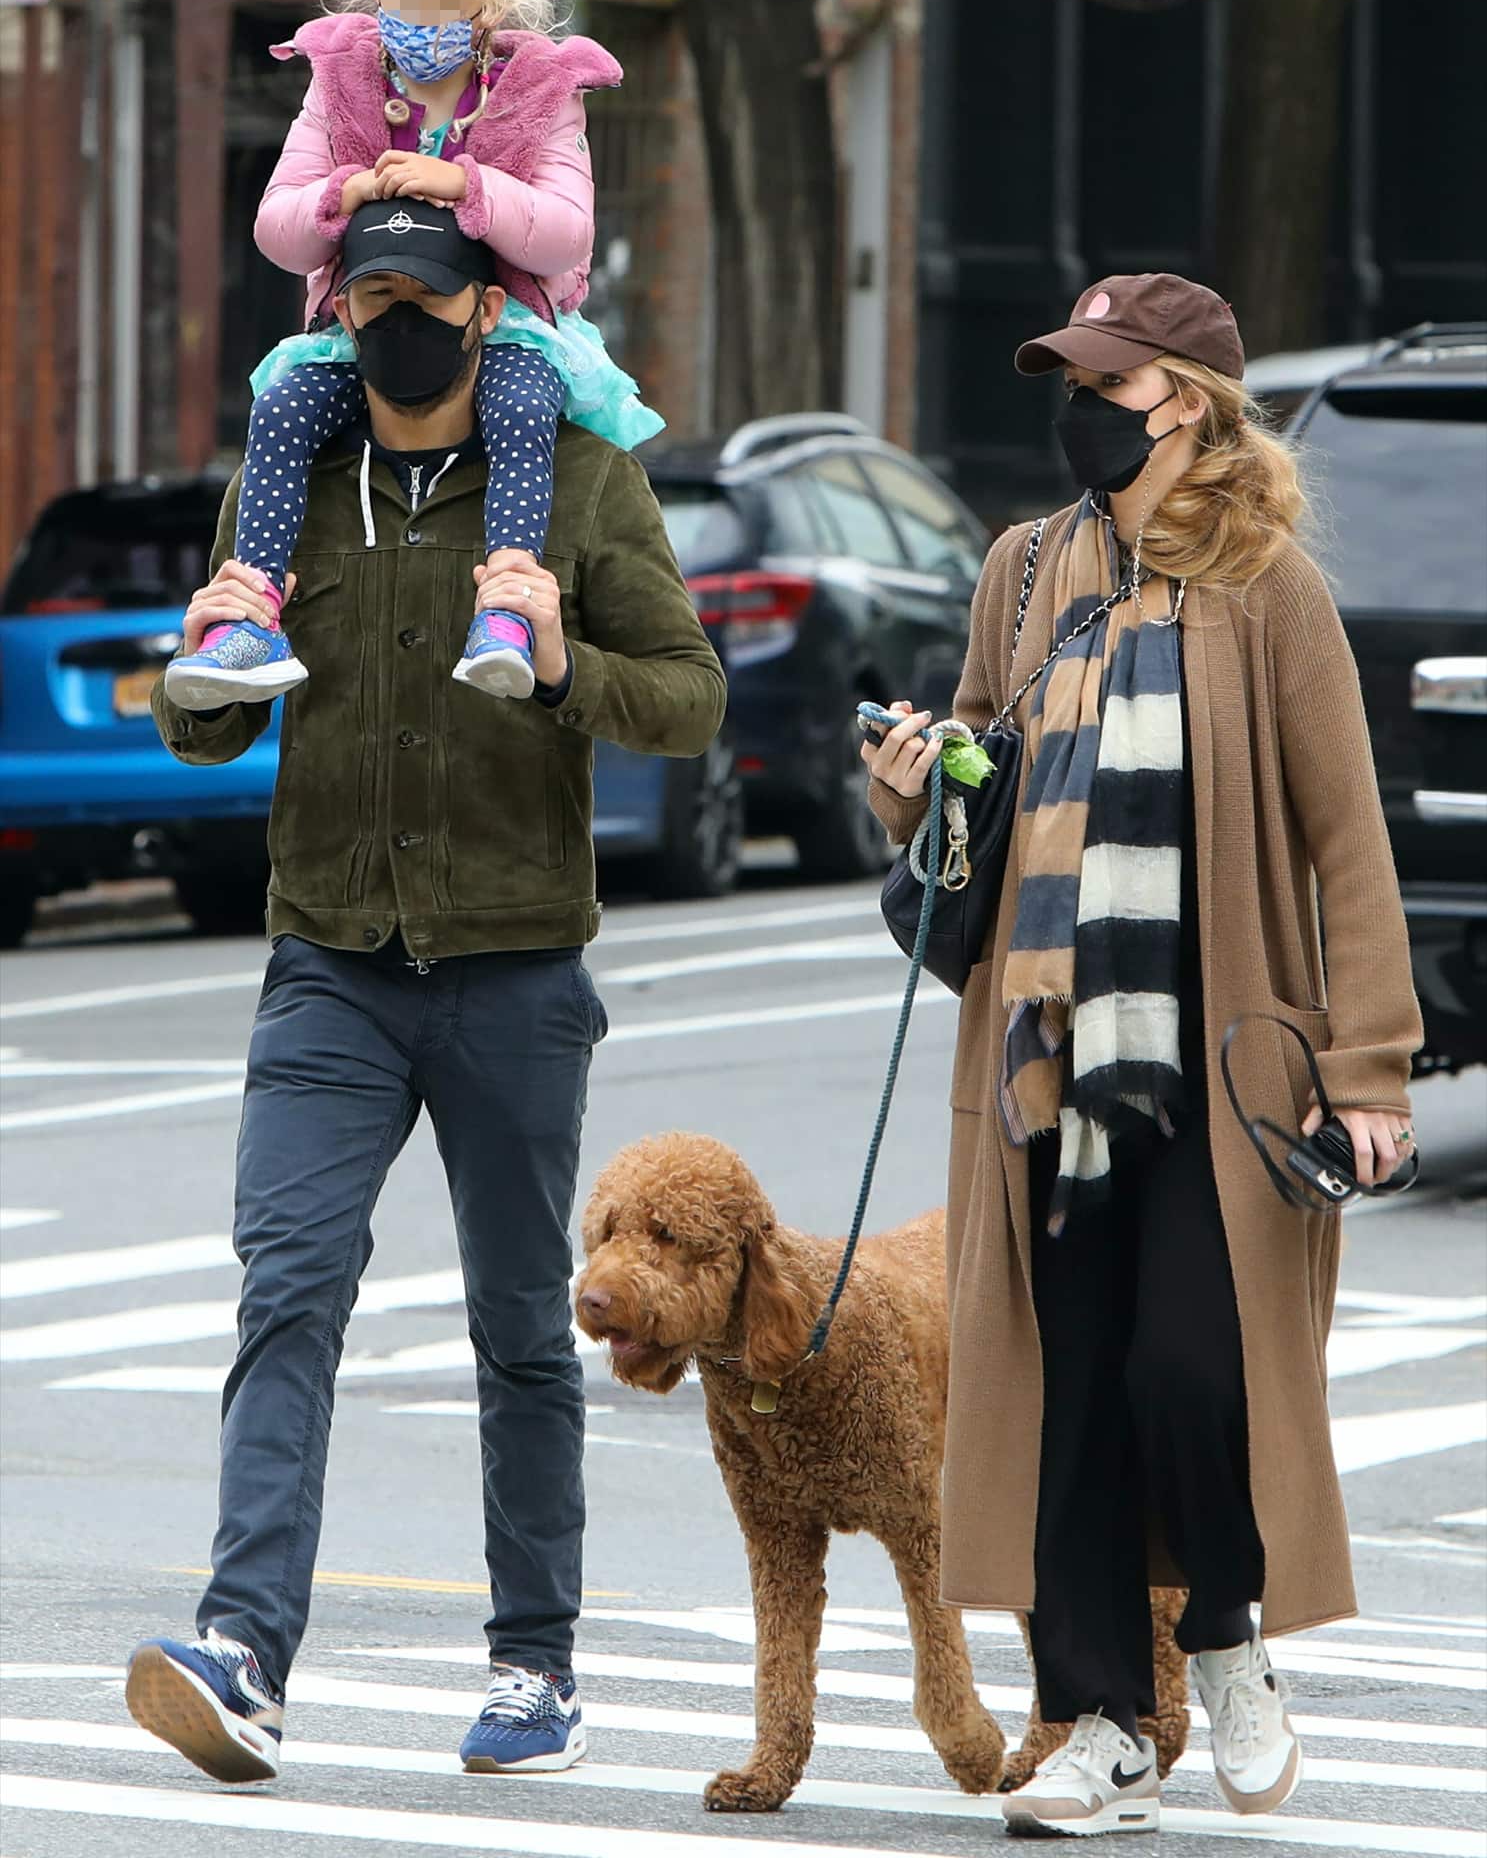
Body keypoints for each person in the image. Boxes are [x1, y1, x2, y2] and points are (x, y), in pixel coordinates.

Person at [125, 200, 726, 1786]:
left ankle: (535, 1669)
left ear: (482, 315)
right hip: (328, 964)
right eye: (369, 291)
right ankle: (242, 1644)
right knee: (286, 1290)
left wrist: (557, 672)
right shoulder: (289, 487)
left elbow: (688, 700)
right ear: (339, 318)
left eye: (425, 292)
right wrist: (193, 672)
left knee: (524, 1328)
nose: (394, 316)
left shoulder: (578, 484)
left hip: (515, 971)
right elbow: (205, 734)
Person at [862, 274, 1422, 1839]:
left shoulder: (1267, 589)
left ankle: (1226, 1642)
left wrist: (1366, 1064)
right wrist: (916, 784)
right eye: (1071, 380)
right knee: (1066, 1397)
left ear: (1187, 402)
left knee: (1191, 1367)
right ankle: (1101, 1720)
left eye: (1107, 384)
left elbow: (1344, 837)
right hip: (1046, 1051)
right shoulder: (1023, 568)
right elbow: (977, 768)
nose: (1080, 408)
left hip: (1218, 1058)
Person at [165, 0, 662, 716]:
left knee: (516, 404)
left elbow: (566, 235)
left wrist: (467, 184)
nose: (419, 18)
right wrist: (342, 193)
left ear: (488, 2)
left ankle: (505, 609)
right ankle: (252, 618)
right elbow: (277, 233)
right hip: (351, 326)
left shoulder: (539, 92)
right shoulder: (341, 80)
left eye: (443, 0)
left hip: (500, 327)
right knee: (282, 409)